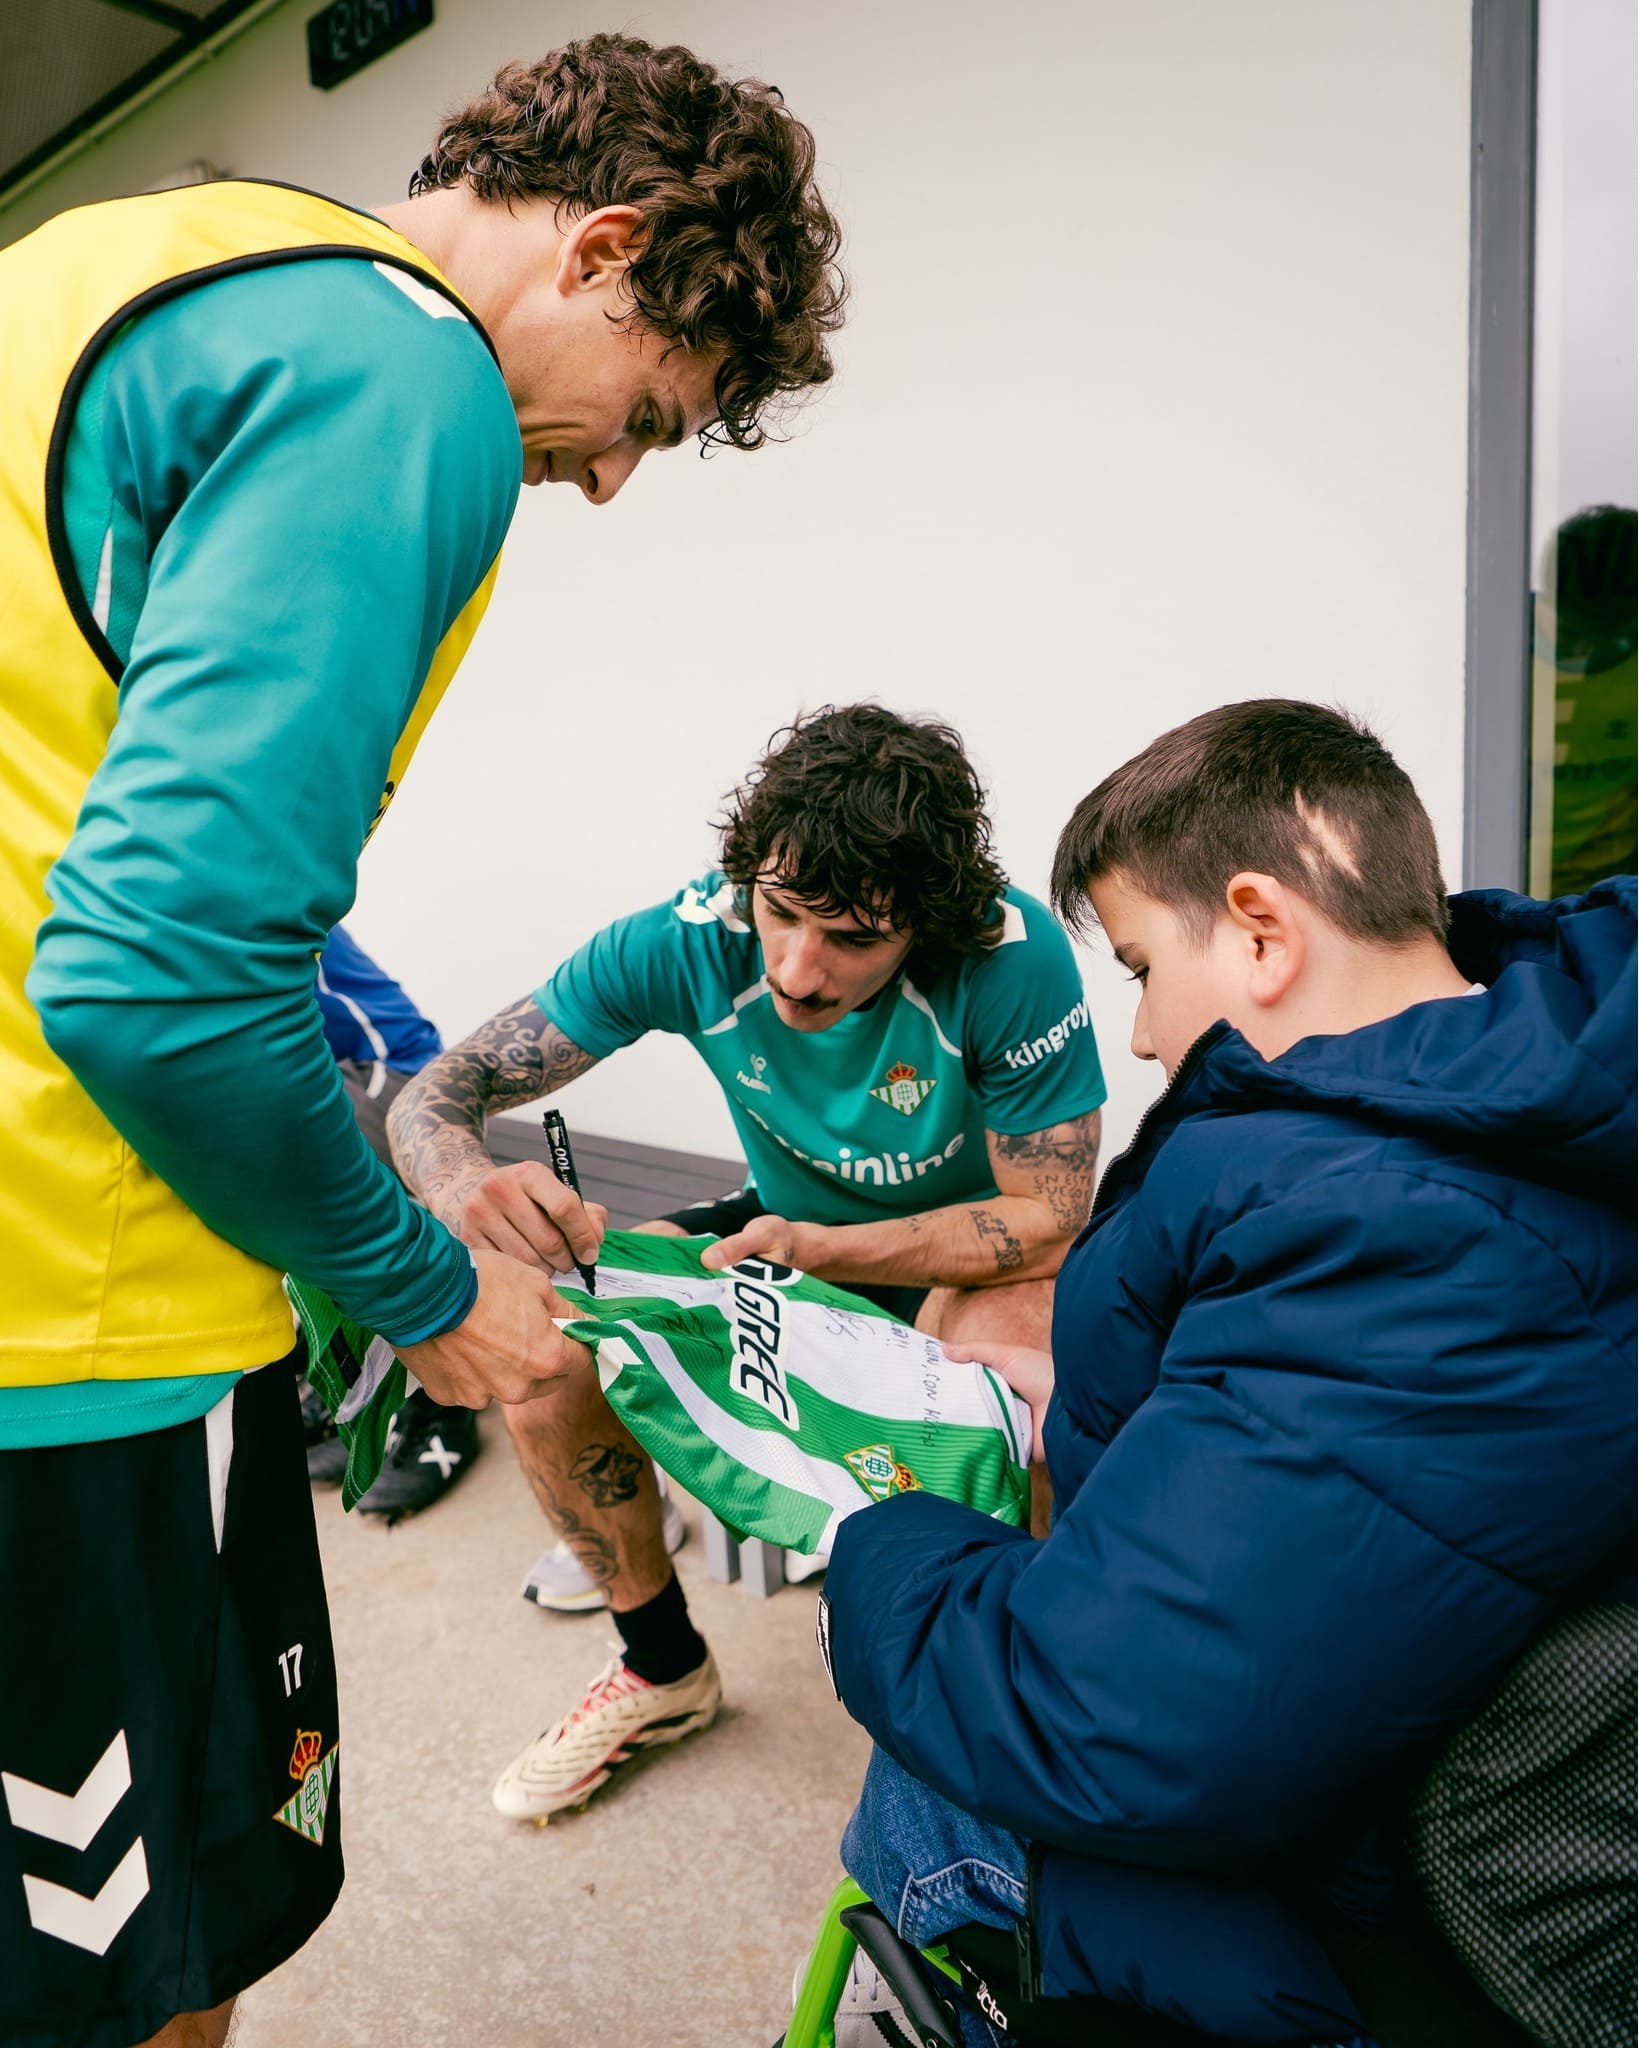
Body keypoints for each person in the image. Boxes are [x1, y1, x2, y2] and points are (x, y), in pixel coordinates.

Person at [0, 34, 843, 2048]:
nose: (618, 477)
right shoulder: (404, 370)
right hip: (69, 1319)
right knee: (139, 1961)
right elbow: (153, 972)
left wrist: (415, 1147)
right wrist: (416, 1285)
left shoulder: (124, 264)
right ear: (606, 246)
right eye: (651, 411)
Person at [817, 701, 1635, 2043]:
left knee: (928, 1762)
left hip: (1369, 1913)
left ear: (1259, 928)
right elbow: (1323, 1455)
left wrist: (874, 1541)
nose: (1140, 1035)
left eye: (1141, 967)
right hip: (1423, 1744)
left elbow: (1103, 1726)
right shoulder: (1480, 1107)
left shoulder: (1405, 1227)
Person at [386, 704, 1108, 1821]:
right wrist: (460, 1183)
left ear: (929, 922)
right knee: (544, 1352)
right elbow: (440, 1090)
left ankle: (1022, 1714)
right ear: (748, 878)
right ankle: (661, 1668)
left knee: (1017, 1380)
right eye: (779, 912)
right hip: (775, 1231)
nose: (798, 968)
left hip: (964, 1250)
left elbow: (1050, 1210)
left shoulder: (1009, 955)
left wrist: (825, 1245)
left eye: (854, 937)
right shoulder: (686, 934)